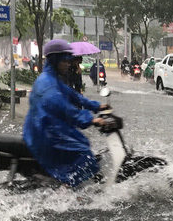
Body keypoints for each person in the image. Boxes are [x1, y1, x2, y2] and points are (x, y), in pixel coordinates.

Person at [23, 39, 109, 187]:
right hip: (45, 134)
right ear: (55, 60)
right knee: (85, 156)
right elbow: (66, 110)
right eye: (64, 61)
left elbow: (73, 95)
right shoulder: (48, 84)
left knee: (83, 142)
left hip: (48, 128)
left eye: (69, 60)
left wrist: (96, 106)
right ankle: (67, 188)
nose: (68, 64)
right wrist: (91, 120)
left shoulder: (52, 79)